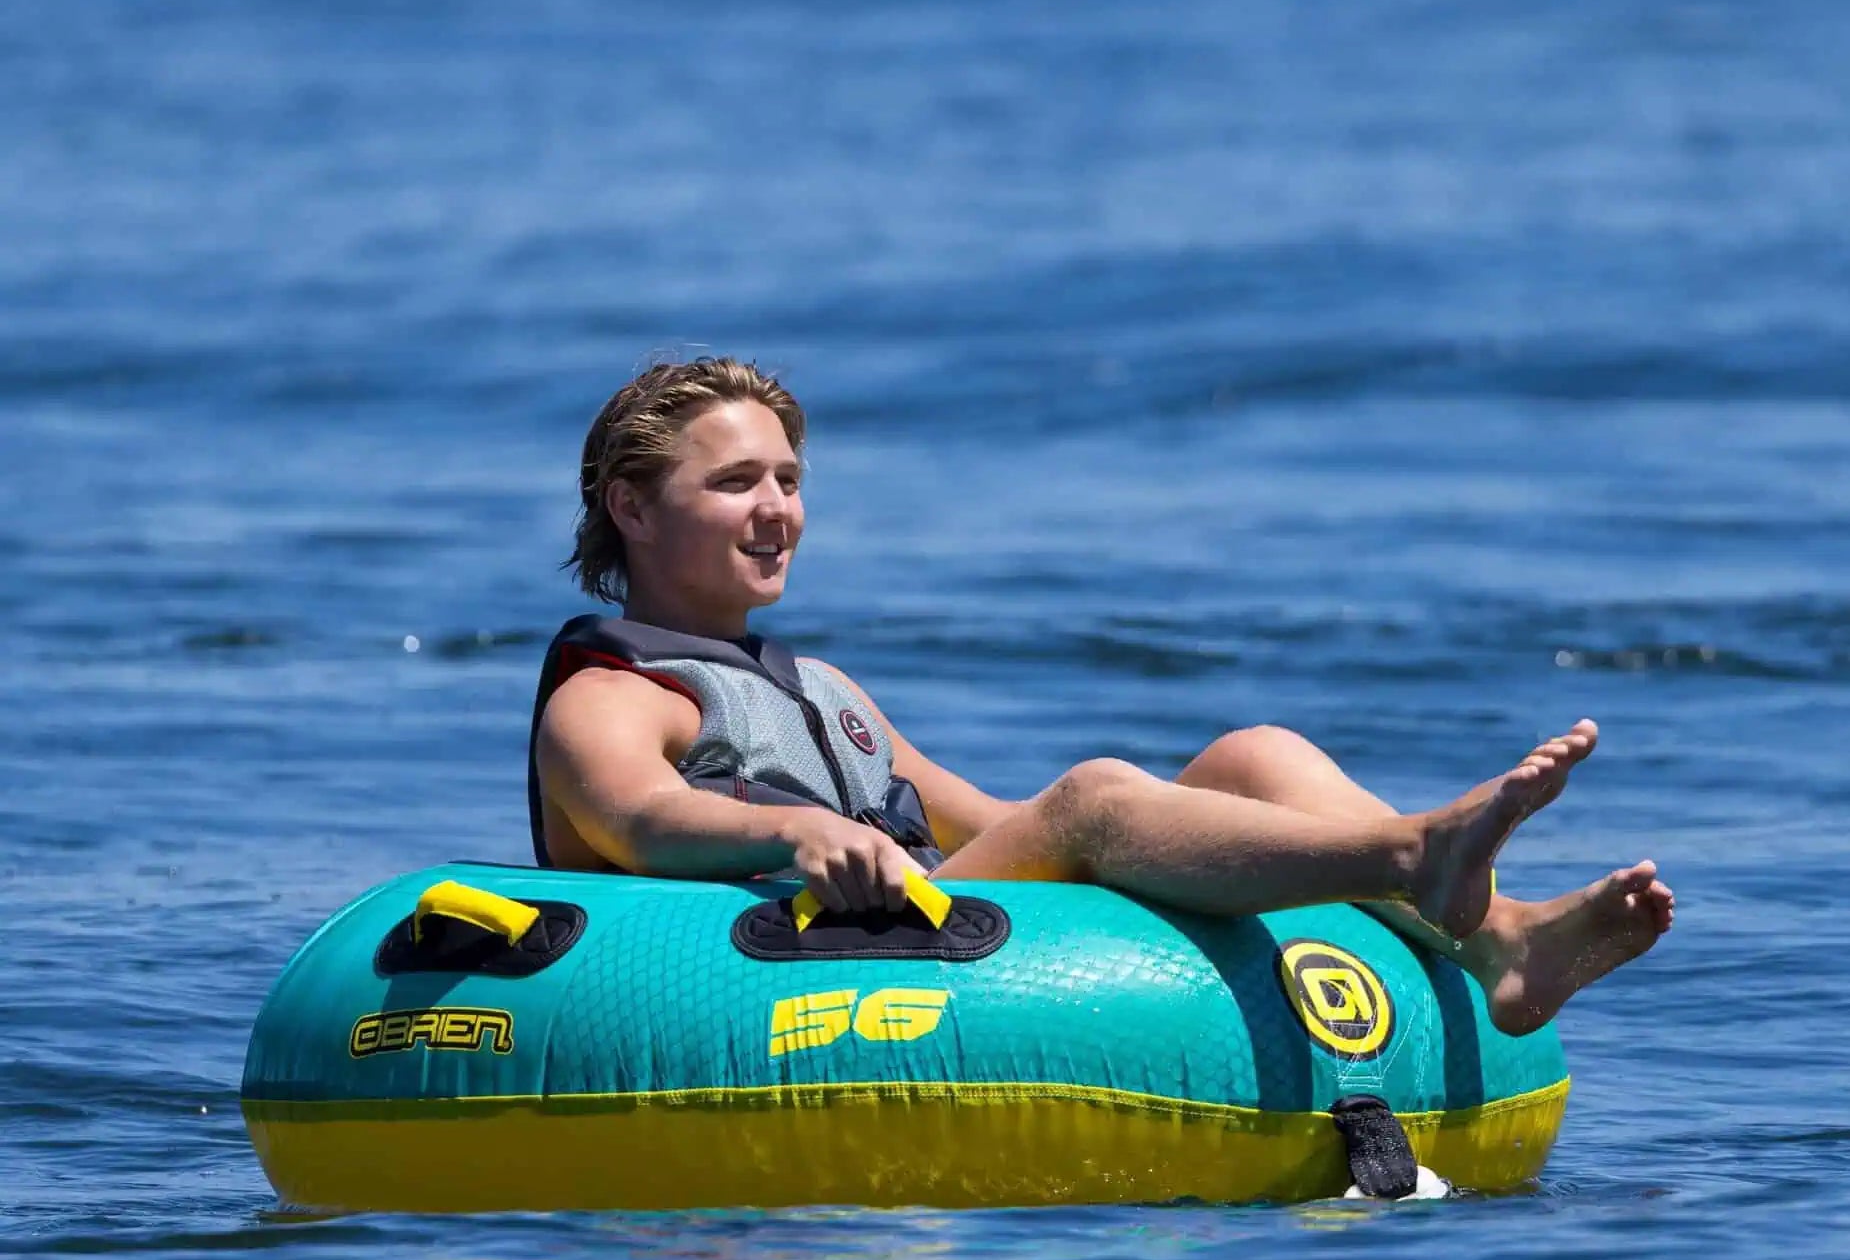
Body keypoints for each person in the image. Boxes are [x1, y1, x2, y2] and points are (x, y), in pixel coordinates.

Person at [530, 357, 1672, 1038]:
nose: (776, 508)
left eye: (788, 478)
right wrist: (798, 826)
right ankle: (1410, 854)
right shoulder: (614, 689)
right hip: (754, 974)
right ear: (631, 508)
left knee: (1253, 752)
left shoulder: (819, 689)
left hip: (919, 928)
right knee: (1088, 800)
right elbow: (636, 814)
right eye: (735, 482)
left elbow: (983, 825)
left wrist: (1175, 818)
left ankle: (1502, 938)